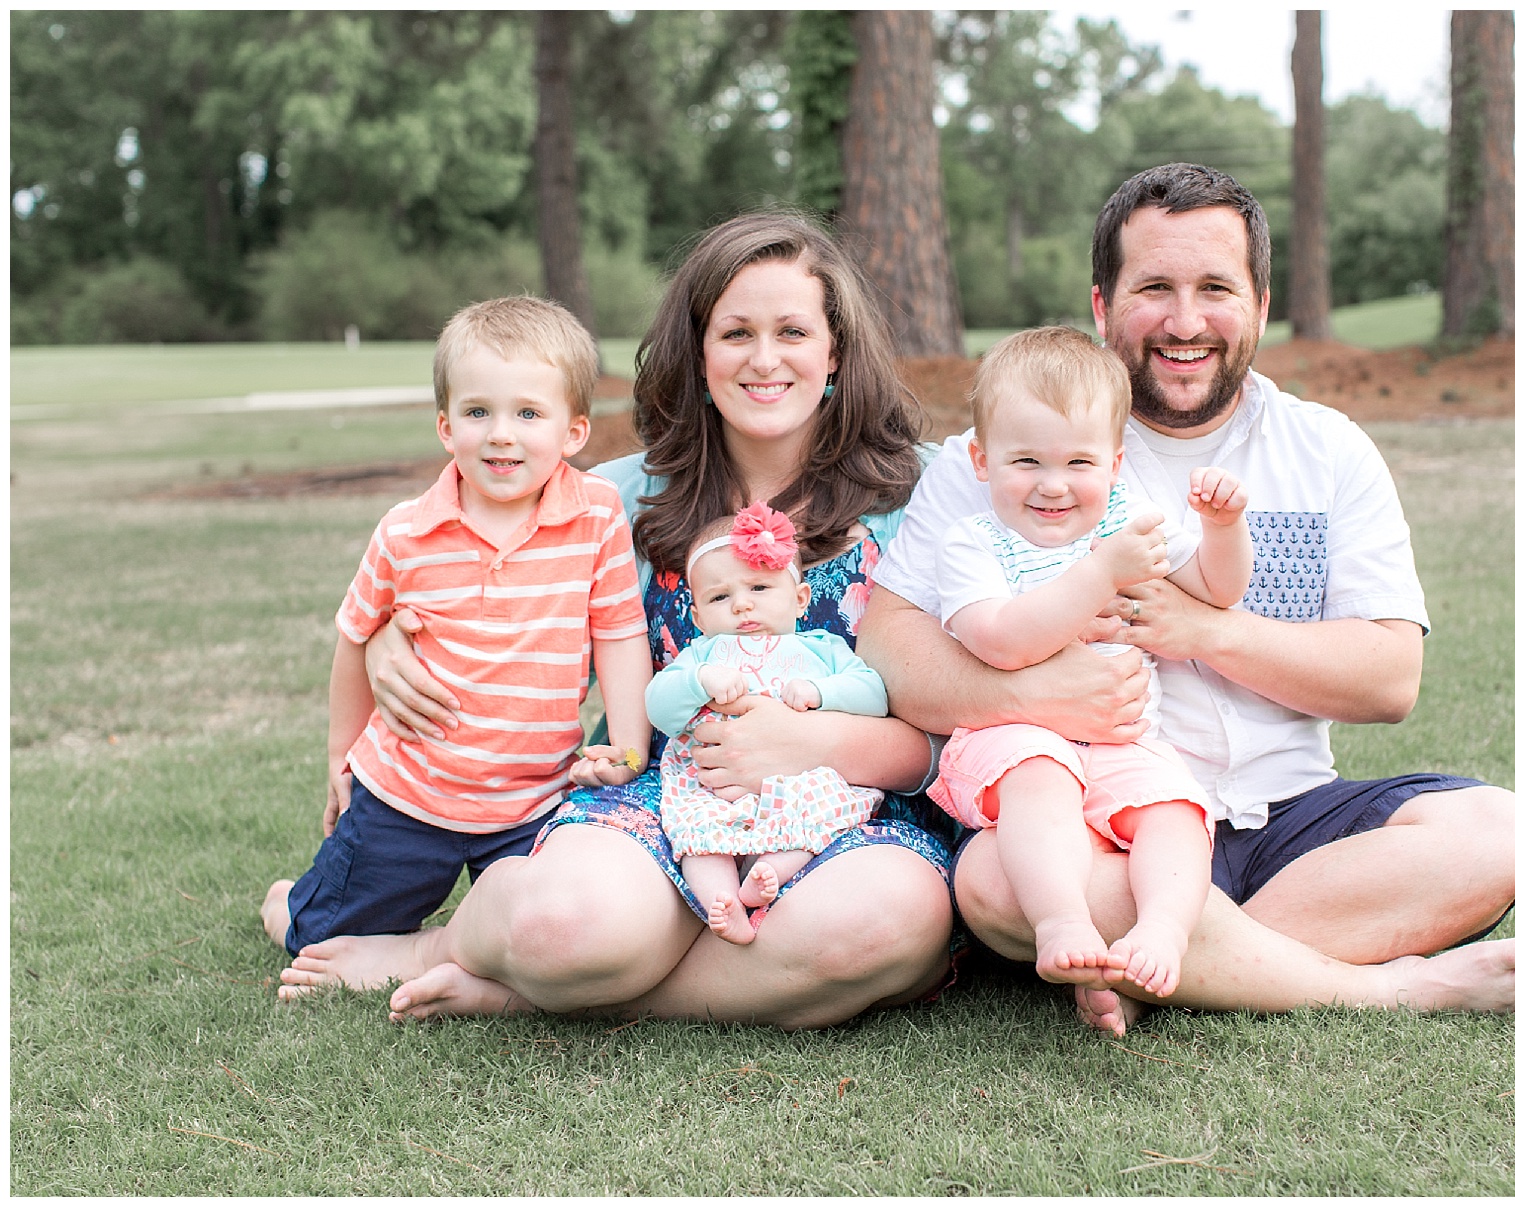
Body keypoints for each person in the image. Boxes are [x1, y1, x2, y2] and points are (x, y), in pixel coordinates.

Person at [858, 163, 1515, 1034]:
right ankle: (1383, 985)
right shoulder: (1014, 453)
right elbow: (888, 648)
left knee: (1498, 831)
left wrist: (1201, 629)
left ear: (1260, 306)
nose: (1185, 322)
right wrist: (1034, 692)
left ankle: (1190, 961)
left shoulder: (1327, 450)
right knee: (995, 881)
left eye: (1216, 289)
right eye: (1154, 288)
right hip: (1102, 820)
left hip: (1293, 819)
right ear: (1103, 304)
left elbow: (1390, 678)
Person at [276, 212, 958, 1029]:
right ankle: (463, 947)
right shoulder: (614, 496)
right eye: (735, 332)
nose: (764, 358)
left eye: (792, 331)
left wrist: (814, 740)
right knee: (563, 922)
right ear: (698, 353)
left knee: (891, 920)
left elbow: (956, 720)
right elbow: (461, 556)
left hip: (852, 812)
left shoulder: (924, 493)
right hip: (666, 797)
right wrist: (389, 634)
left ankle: (517, 988)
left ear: (836, 351)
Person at [261, 296, 653, 967]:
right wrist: (339, 756)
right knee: (321, 941)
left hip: (536, 798)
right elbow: (356, 636)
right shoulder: (406, 530)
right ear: (446, 426)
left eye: (528, 413)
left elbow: (618, 633)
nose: (500, 433)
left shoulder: (597, 517)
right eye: (478, 412)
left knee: (535, 945)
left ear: (575, 431)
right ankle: (285, 903)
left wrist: (627, 747)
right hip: (409, 797)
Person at [922, 326, 1250, 999]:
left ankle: (1162, 931)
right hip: (1015, 738)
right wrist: (1102, 575)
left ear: (1114, 464)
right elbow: (1001, 641)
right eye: (1026, 461)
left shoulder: (1128, 521)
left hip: (1120, 737)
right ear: (982, 460)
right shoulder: (973, 543)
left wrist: (1222, 528)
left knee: (1175, 809)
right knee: (1041, 780)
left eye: (1079, 462)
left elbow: (1217, 590)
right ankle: (1062, 922)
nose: (1053, 485)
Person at [654, 502, 891, 945]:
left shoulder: (822, 649)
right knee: (697, 837)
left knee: (820, 815)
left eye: (759, 587)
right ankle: (722, 902)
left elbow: (874, 696)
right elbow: (659, 708)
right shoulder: (702, 656)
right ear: (698, 617)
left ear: (799, 599)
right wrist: (699, 681)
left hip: (797, 785)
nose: (742, 604)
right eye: (719, 597)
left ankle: (769, 872)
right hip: (713, 787)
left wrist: (822, 692)